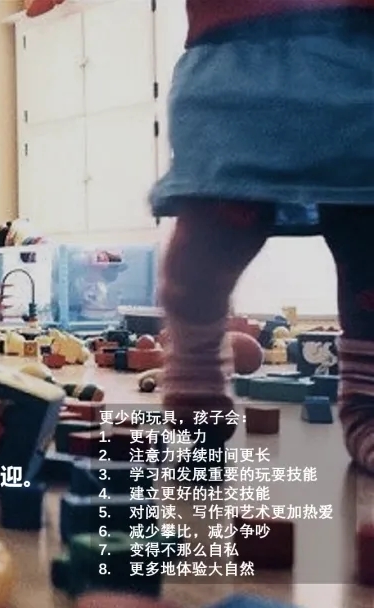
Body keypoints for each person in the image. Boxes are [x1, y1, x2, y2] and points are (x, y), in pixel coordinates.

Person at [153, 1, 374, 467]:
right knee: (209, 234)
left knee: (367, 240)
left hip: (361, 58)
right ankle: (196, 375)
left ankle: (368, 403)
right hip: (235, 56)